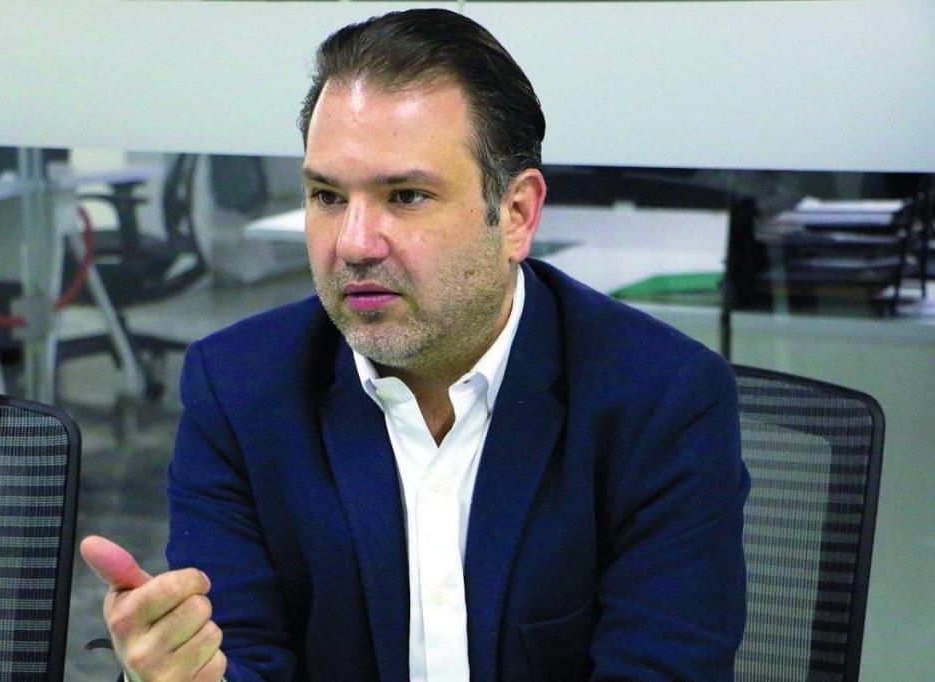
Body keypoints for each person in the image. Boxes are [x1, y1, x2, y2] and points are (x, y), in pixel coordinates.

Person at [81, 8, 749, 681]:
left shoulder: (659, 397)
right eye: (327, 196)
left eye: (405, 196)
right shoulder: (241, 389)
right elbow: (241, 658)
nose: (354, 244)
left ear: (516, 214)